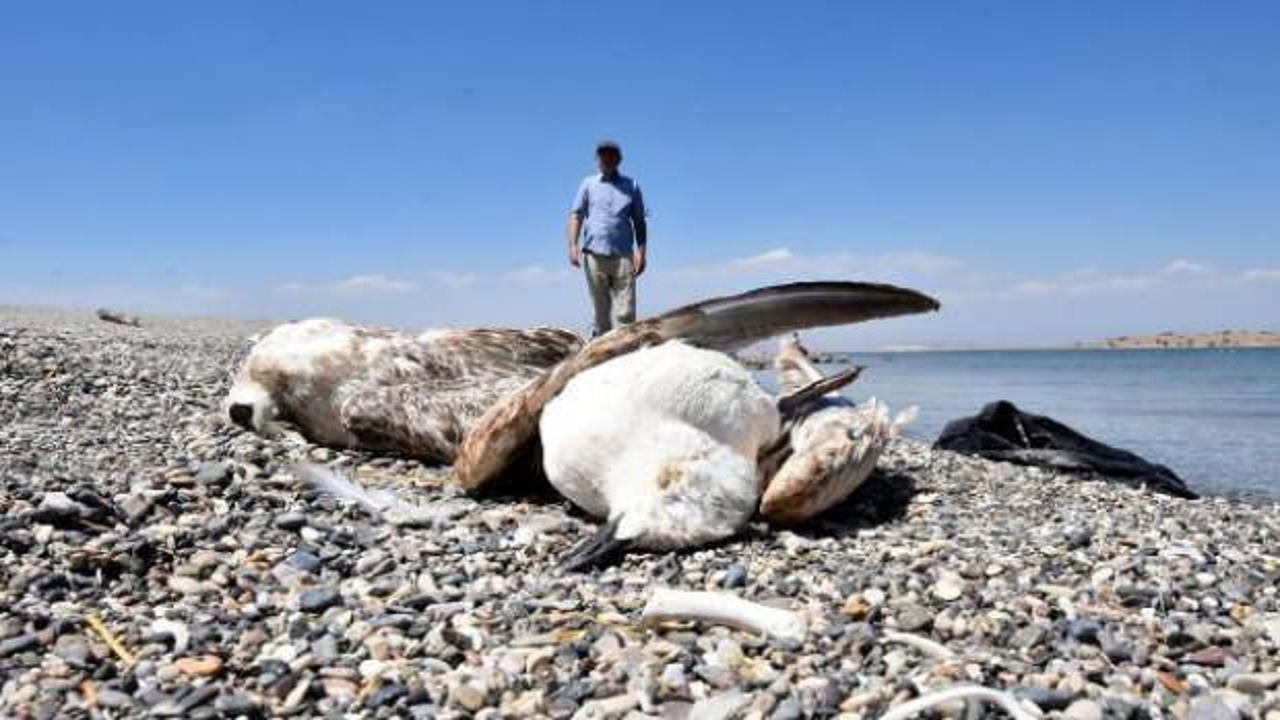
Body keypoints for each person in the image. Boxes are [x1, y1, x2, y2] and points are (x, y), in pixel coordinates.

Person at [567, 140, 647, 337]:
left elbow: (639, 220)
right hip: (594, 255)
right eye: (603, 155)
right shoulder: (588, 184)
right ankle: (601, 349)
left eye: (611, 155)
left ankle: (626, 350)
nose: (607, 159)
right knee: (601, 314)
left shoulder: (632, 185)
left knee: (626, 313)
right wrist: (573, 245)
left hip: (623, 256)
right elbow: (576, 215)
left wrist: (642, 252)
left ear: (619, 159)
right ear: (597, 159)